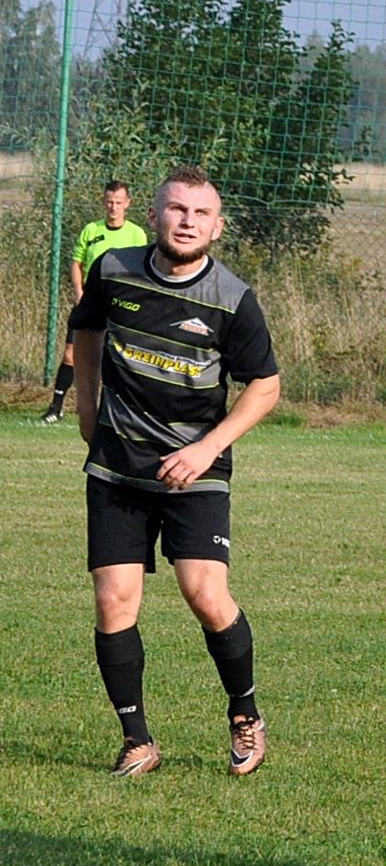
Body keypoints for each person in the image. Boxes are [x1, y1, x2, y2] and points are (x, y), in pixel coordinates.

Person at [71, 165, 280, 780]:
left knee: (206, 595)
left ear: (217, 226)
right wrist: (87, 404)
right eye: (176, 209)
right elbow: (85, 331)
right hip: (117, 466)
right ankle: (137, 740)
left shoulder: (234, 299)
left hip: (196, 471)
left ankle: (244, 714)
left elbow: (264, 388)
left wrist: (204, 450)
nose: (186, 221)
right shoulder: (115, 271)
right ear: (155, 215)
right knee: (114, 602)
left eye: (200, 213)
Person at [42, 180, 148, 423]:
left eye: (118, 203)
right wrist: (79, 291)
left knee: (120, 357)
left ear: (127, 204)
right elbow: (77, 263)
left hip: (121, 305)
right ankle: (56, 408)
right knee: (71, 354)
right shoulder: (91, 230)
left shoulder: (136, 234)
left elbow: (142, 270)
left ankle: (123, 409)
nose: (113, 207)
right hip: (90, 302)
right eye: (109, 202)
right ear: (103, 202)